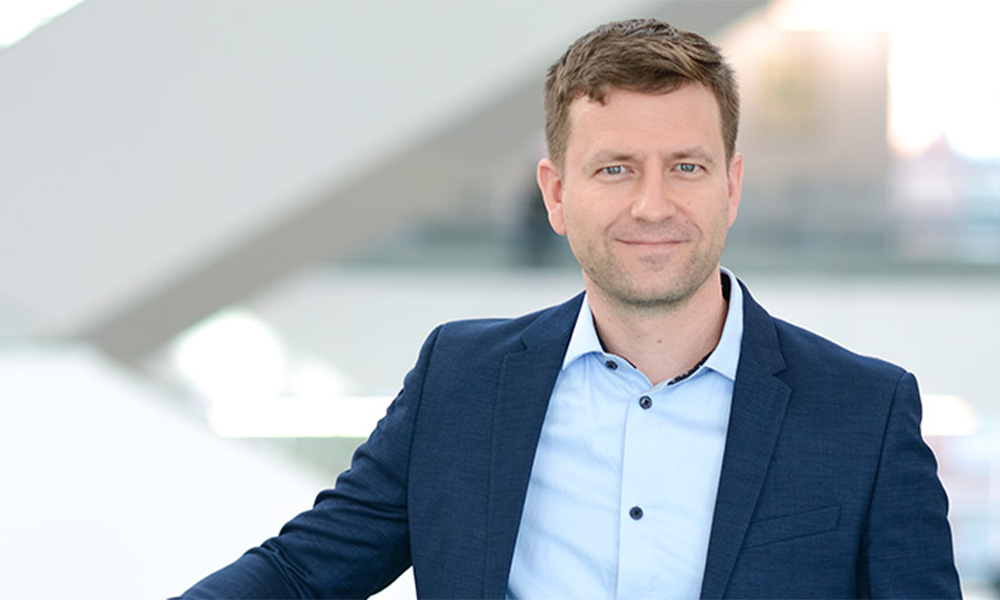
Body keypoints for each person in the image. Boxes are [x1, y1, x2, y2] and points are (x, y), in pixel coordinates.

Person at [178, 18, 961, 599]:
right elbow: (300, 574)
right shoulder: (461, 381)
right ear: (556, 194)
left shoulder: (863, 409)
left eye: (685, 166)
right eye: (614, 168)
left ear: (731, 184)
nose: (652, 204)